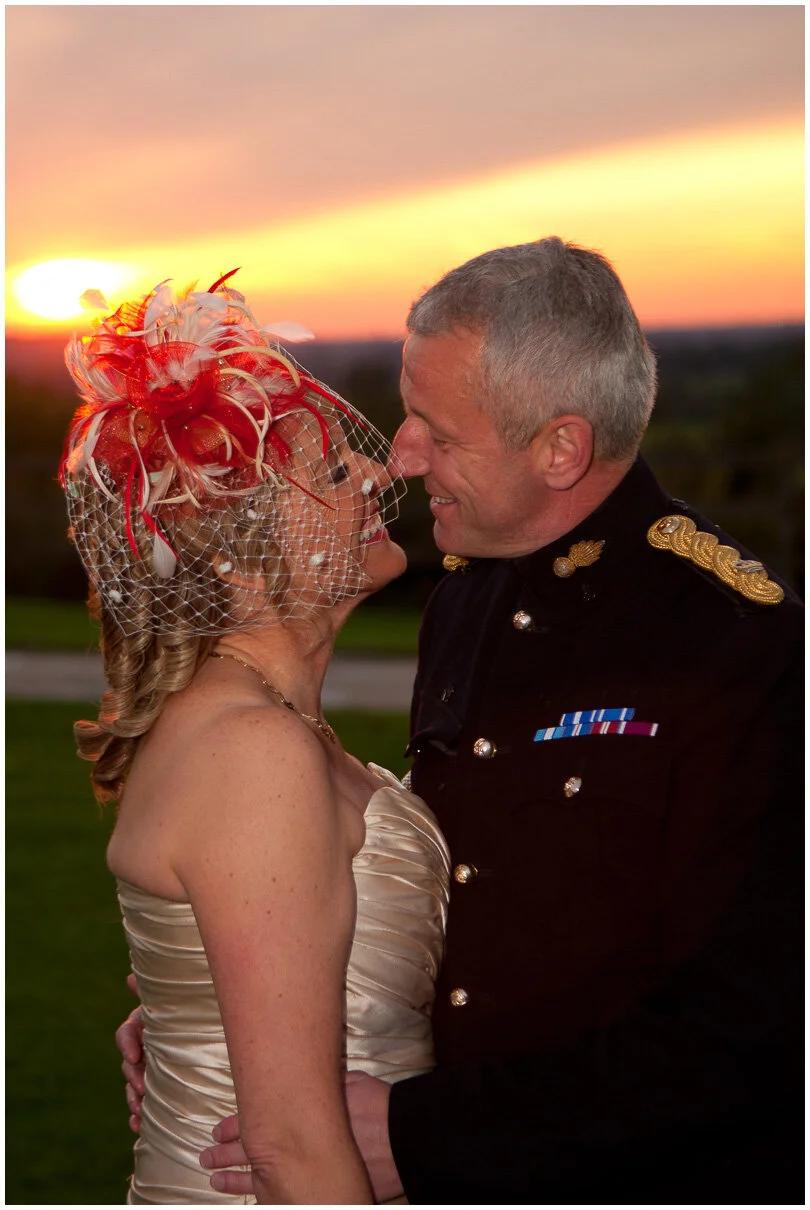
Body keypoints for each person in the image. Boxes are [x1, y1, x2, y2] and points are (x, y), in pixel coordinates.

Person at [123, 239, 803, 1203]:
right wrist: (227, 1002)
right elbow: (461, 888)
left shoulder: (736, 646)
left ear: (560, 449)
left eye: (437, 432)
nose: (400, 456)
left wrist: (426, 1134)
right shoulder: (467, 601)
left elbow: (753, 1030)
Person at [63, 273, 450, 1204]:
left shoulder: (267, 727)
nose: (379, 474)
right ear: (237, 559)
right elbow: (289, 1146)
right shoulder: (255, 753)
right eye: (335, 475)